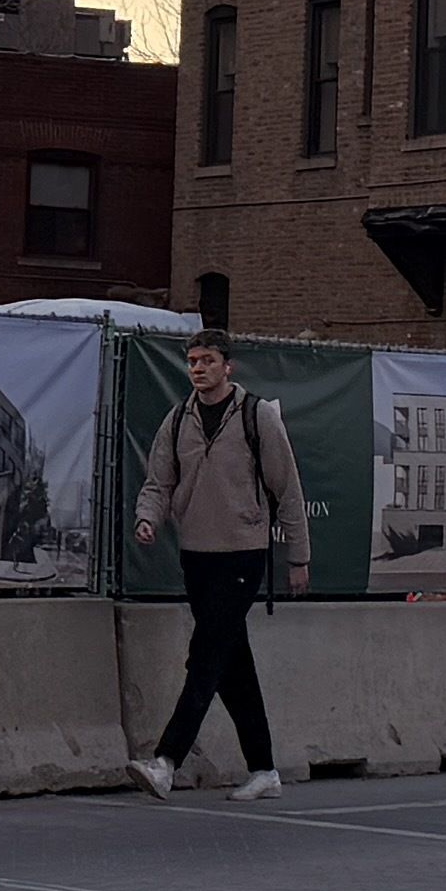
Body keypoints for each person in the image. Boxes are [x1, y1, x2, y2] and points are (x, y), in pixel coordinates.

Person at [128, 329, 299, 801]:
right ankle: (264, 769)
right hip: (196, 554)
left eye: (207, 360)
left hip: (242, 553)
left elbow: (287, 488)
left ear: (229, 366)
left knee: (205, 657)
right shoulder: (178, 418)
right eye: (192, 361)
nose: (198, 368)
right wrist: (148, 519)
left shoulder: (256, 415)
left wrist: (298, 557)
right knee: (231, 663)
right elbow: (158, 481)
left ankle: (166, 760)